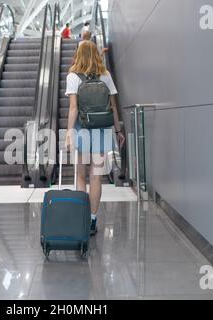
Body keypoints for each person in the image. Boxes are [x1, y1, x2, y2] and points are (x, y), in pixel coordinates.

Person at [64, 40, 125, 236]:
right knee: (96, 176)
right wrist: (117, 131)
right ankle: (92, 219)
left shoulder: (73, 76)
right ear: (96, 54)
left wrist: (68, 132)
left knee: (81, 175)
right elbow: (113, 106)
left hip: (82, 129)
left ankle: (82, 217)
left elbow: (73, 108)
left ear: (78, 54)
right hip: (102, 130)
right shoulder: (105, 76)